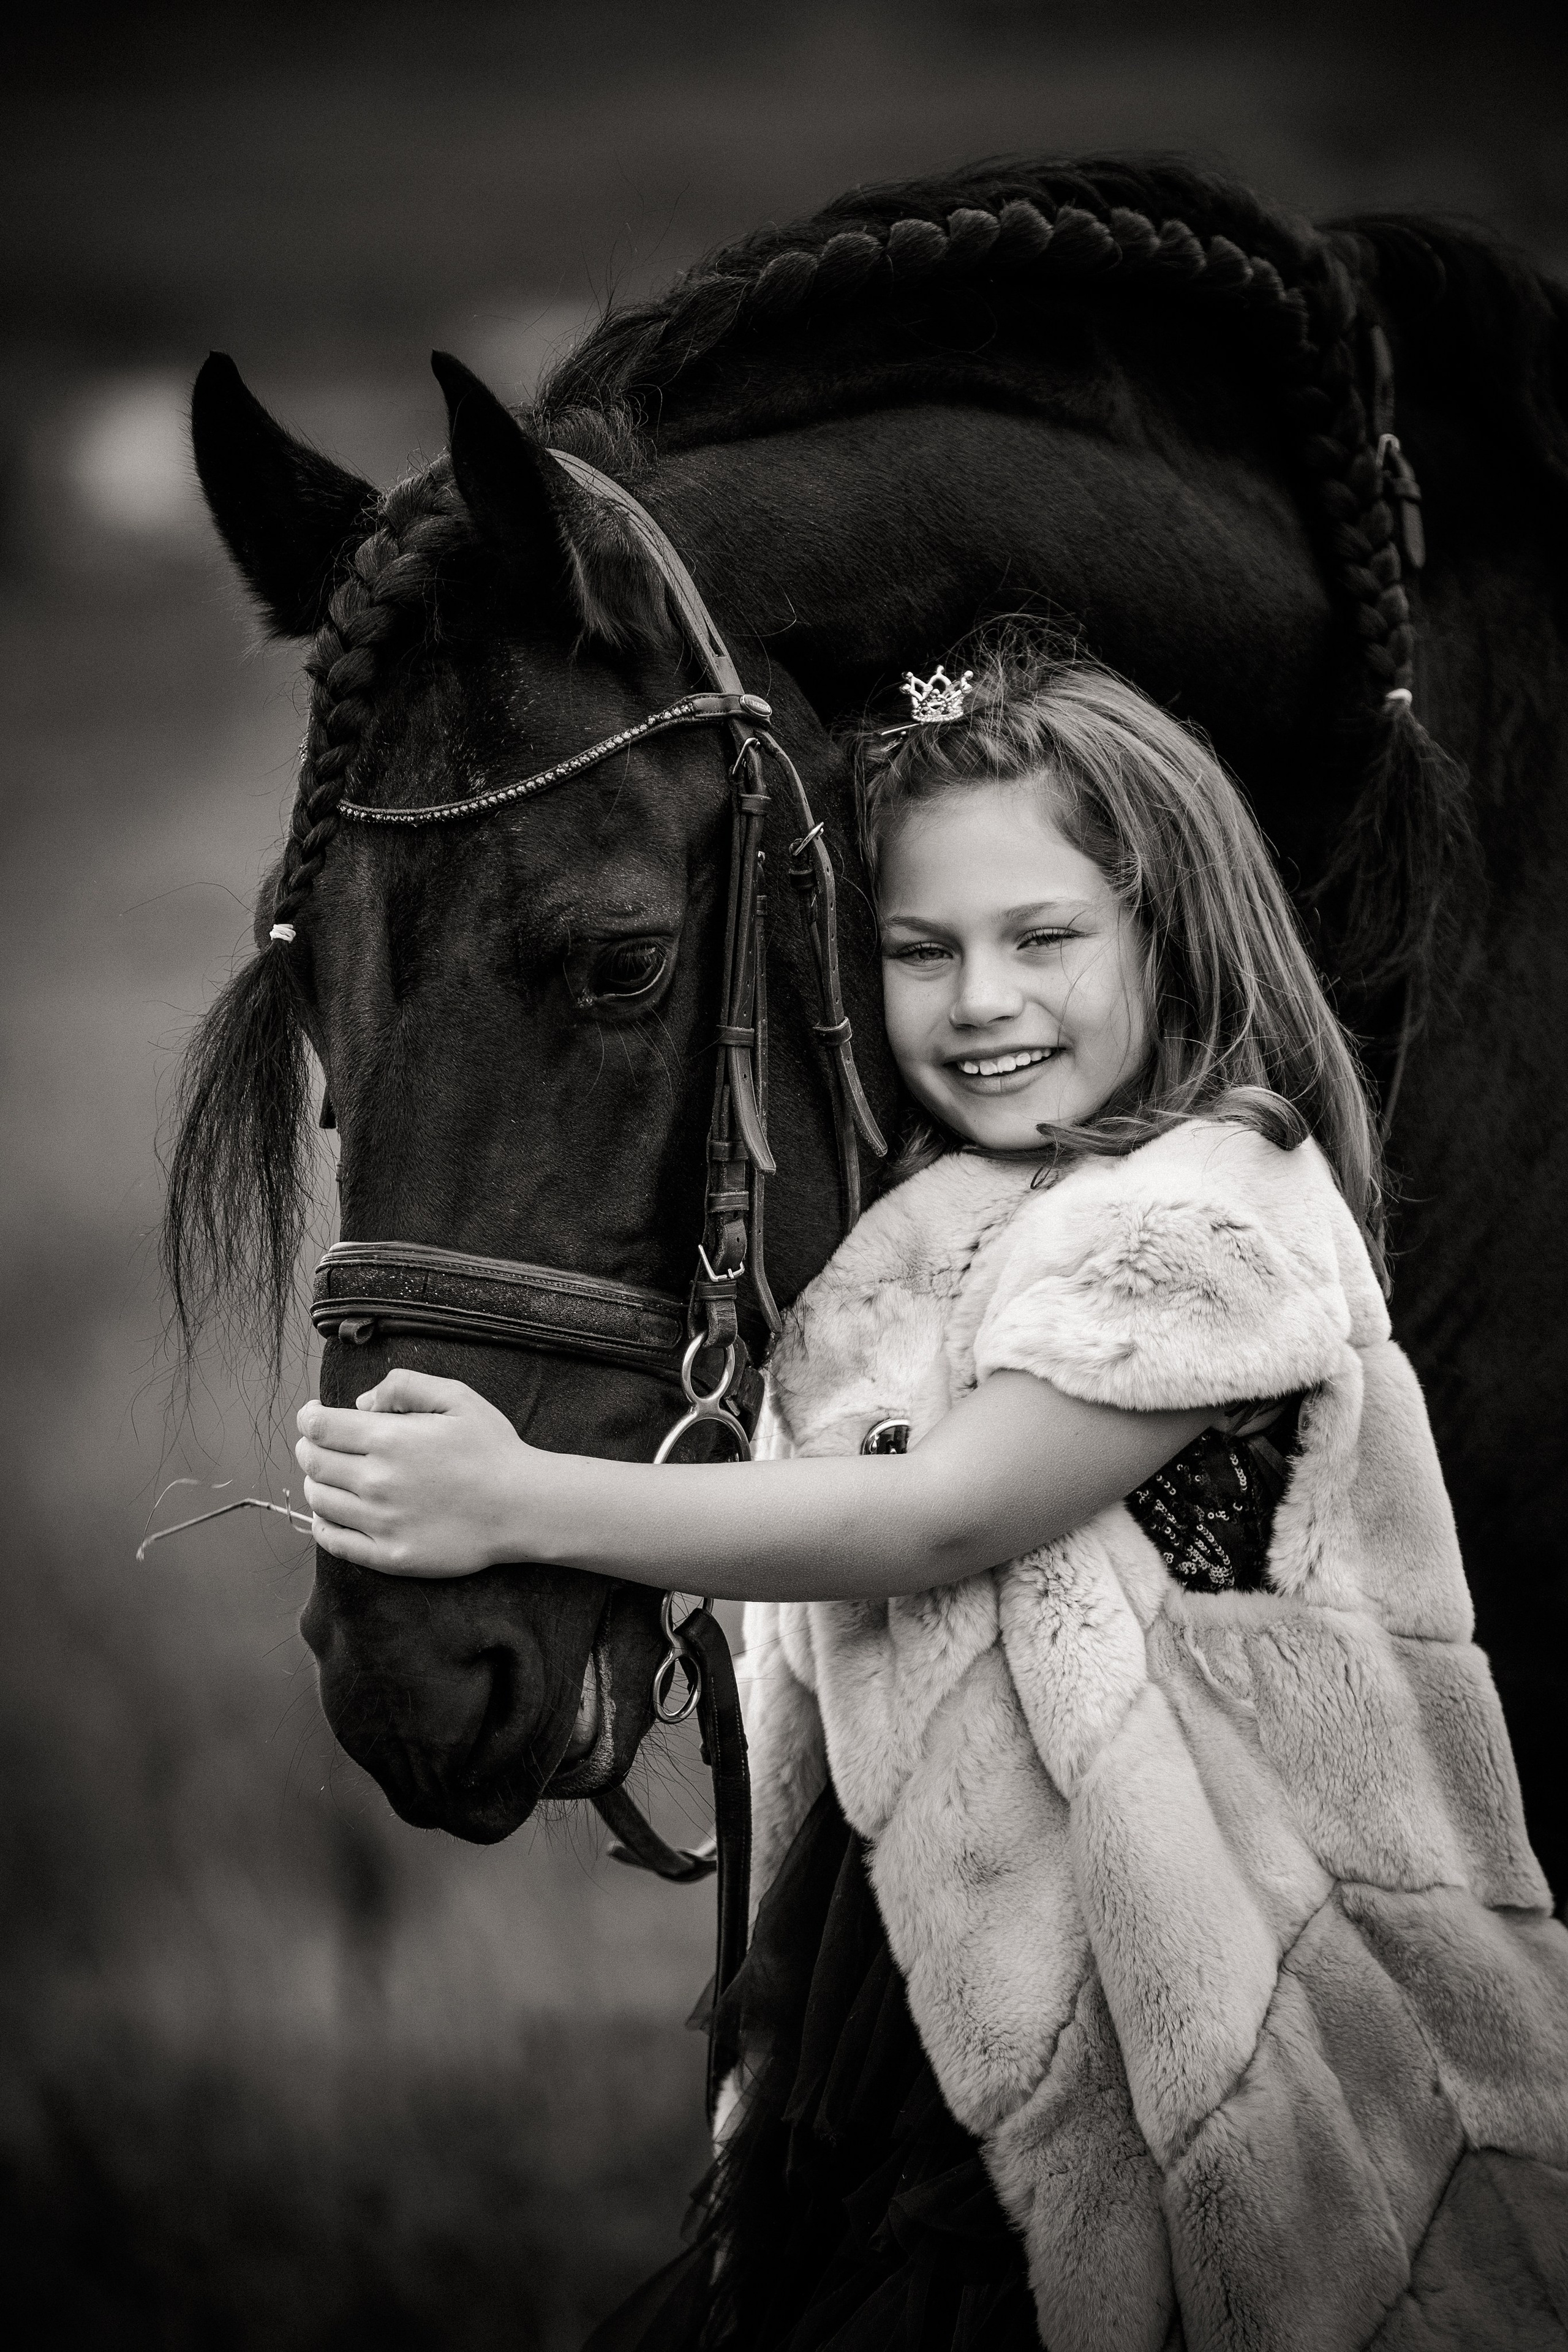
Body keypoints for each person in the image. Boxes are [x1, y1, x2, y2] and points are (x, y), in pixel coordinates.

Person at [297, 646, 1568, 2351]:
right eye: (920, 950)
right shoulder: (918, 1236)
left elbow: (948, 1518)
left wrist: (527, 1499)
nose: (981, 999)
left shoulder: (1213, 1218)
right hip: (911, 1973)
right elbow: (822, 1562)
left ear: (1168, 933)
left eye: (1044, 938)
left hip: (1209, 1993)